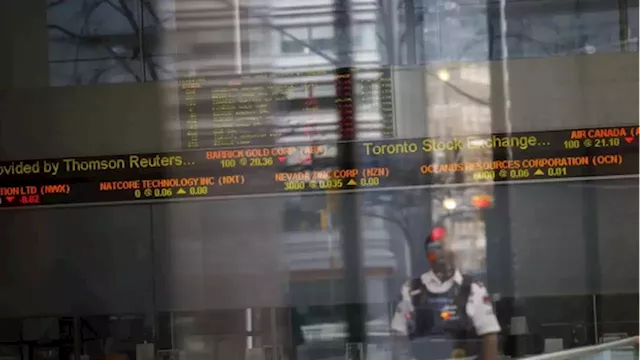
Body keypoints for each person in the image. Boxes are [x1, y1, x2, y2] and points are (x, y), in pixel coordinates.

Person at [391, 225, 500, 360]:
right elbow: (399, 338)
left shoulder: (473, 288)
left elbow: (489, 334)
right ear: (428, 254)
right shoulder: (411, 290)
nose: (443, 253)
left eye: (446, 246)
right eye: (436, 248)